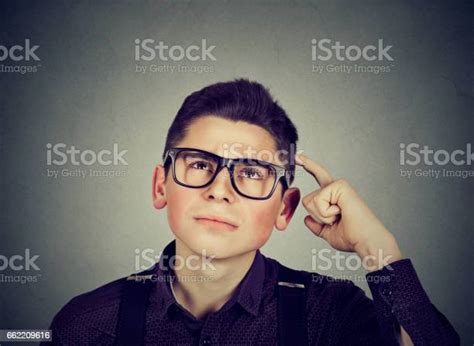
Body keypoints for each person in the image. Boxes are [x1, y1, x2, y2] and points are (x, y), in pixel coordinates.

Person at [46, 79, 460, 345]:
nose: (219, 190)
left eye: (251, 172)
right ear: (161, 186)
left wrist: (378, 248)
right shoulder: (85, 325)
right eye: (200, 164)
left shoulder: (332, 315)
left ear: (285, 208)